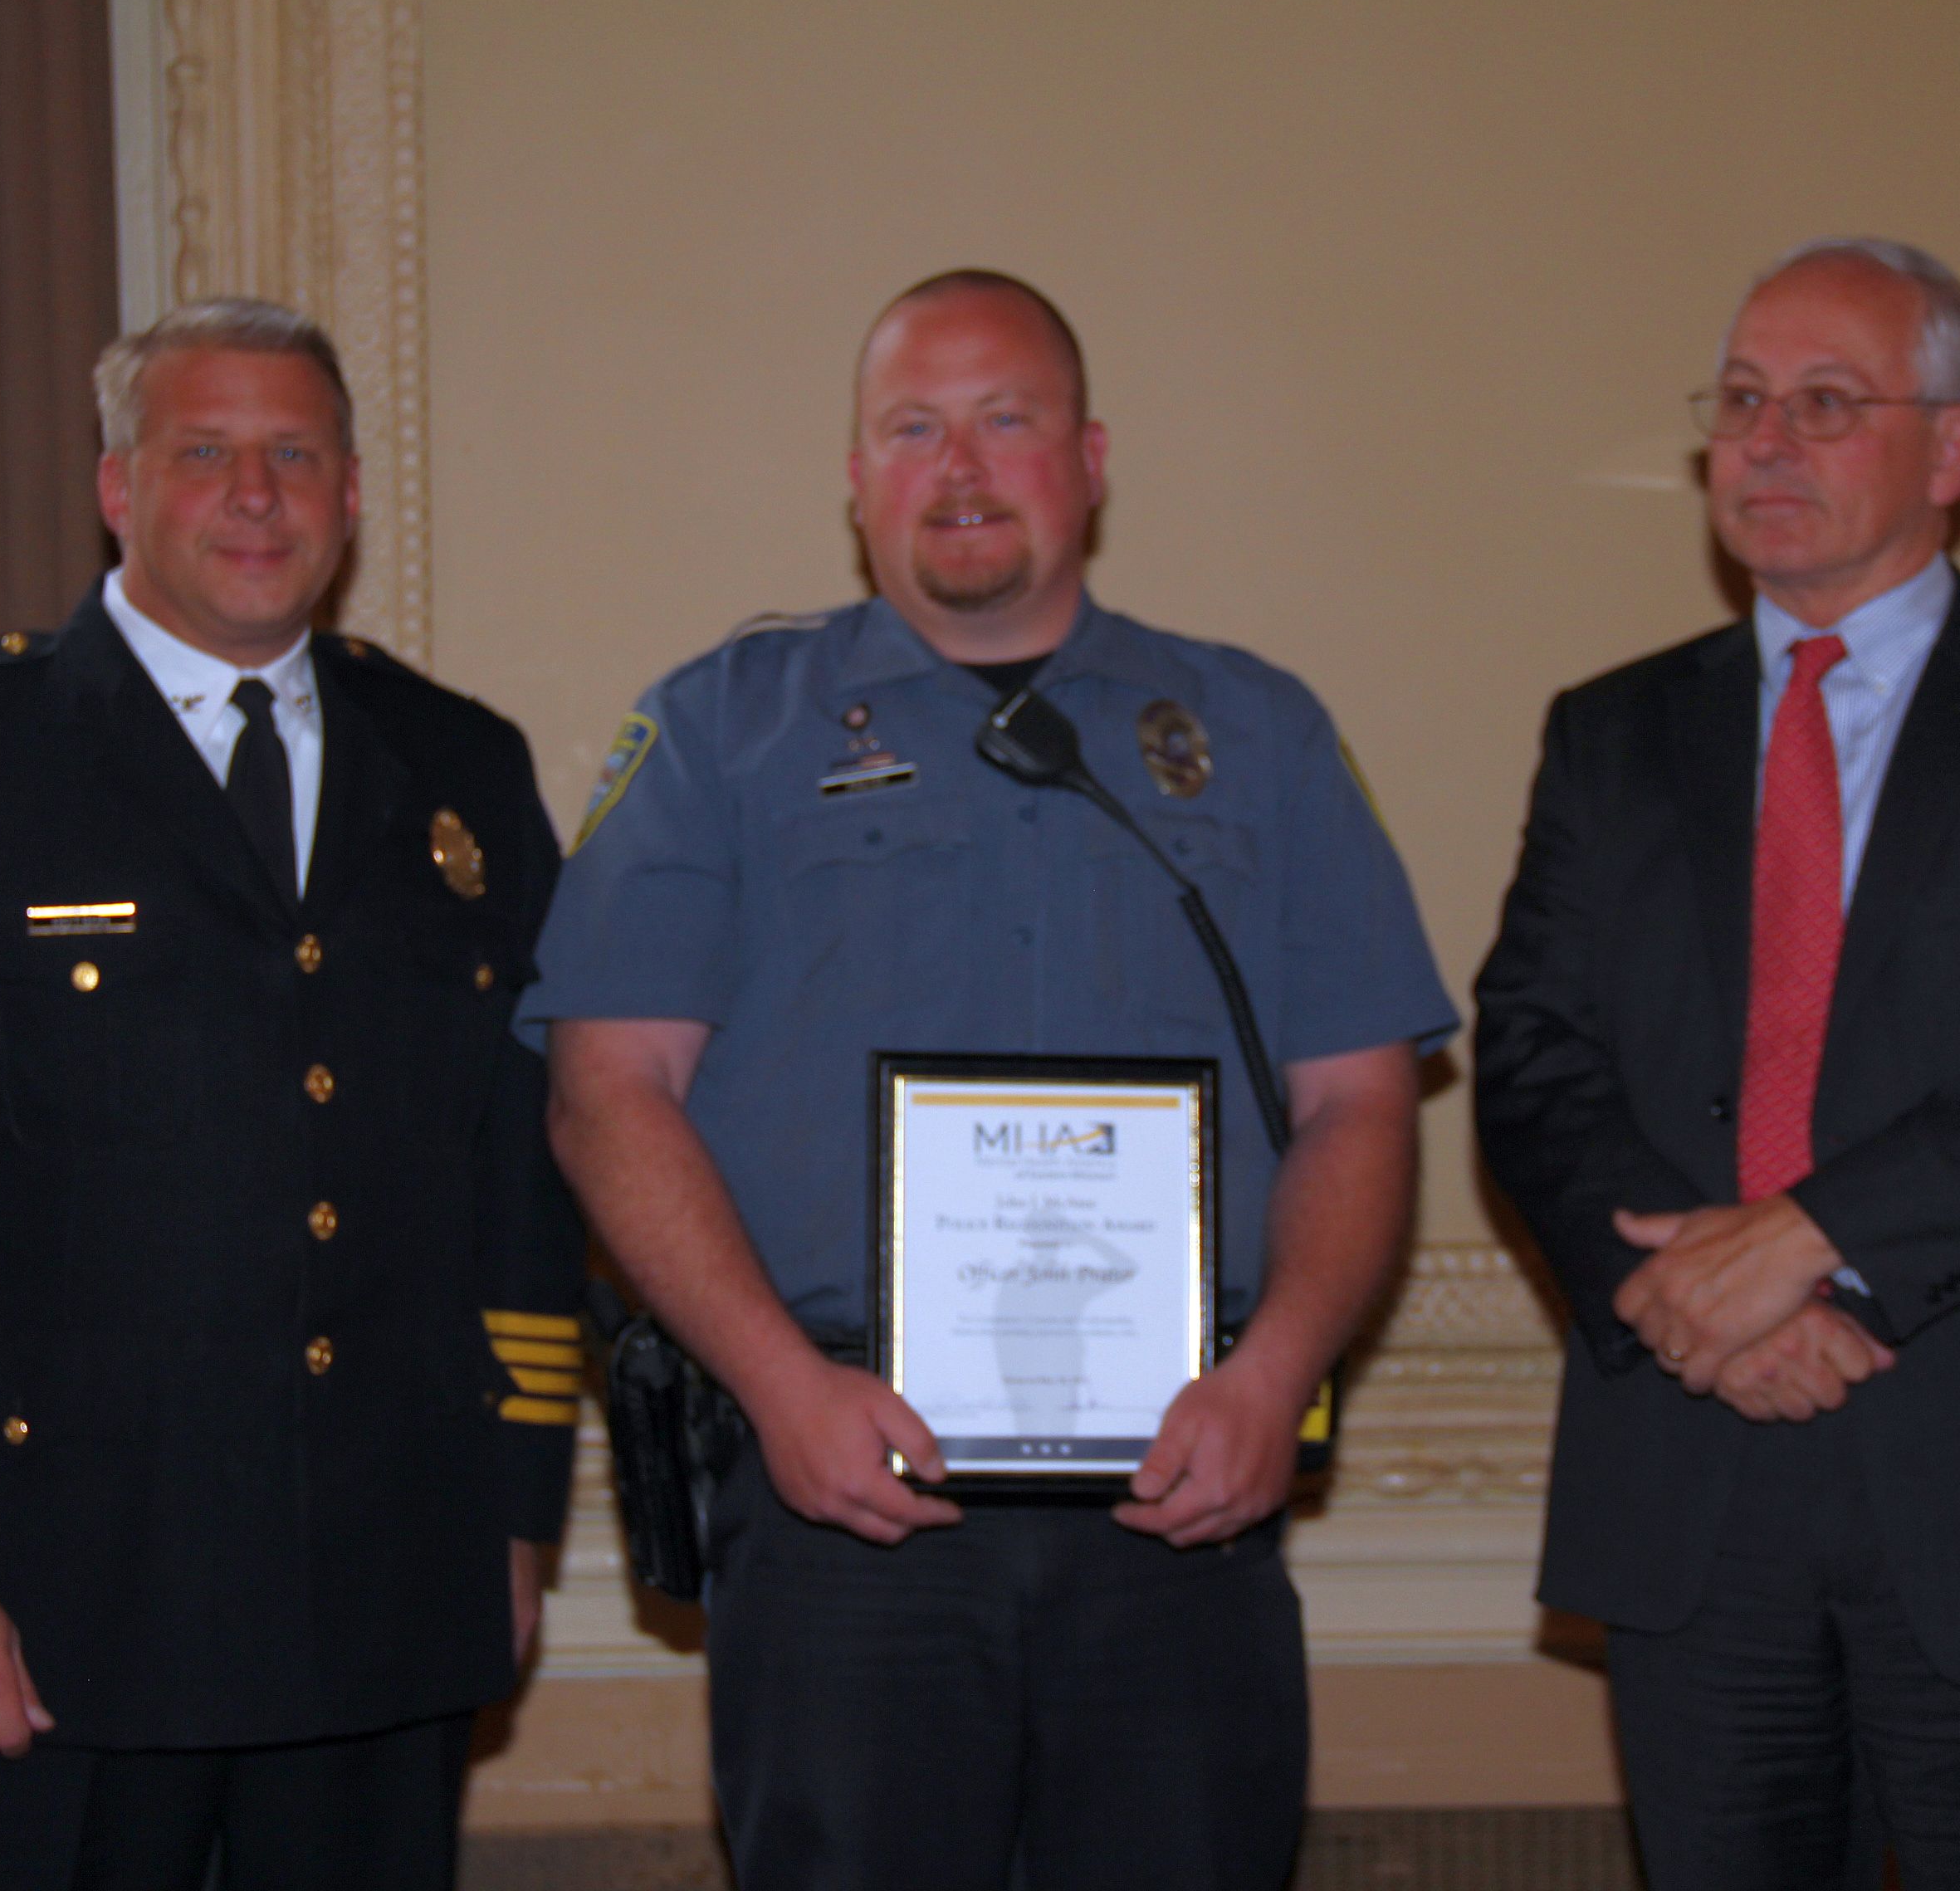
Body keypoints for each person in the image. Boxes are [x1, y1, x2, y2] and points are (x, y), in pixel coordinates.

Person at [526, 270, 1455, 1889]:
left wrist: (1274, 1375)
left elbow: (1362, 1104)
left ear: (1090, 458)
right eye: (912, 428)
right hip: (842, 1489)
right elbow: (609, 1092)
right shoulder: (719, 729)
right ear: (855, 477)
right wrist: (774, 1386)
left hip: (1185, 1486)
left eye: (1006, 420)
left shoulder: (1257, 734)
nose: (960, 466)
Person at [0, 298, 585, 1890]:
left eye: (294, 455)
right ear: (120, 490)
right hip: (44, 1609)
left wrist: (508, 1509)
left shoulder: (462, 769)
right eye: (205, 453)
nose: (254, 494)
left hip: (384, 1591)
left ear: (348, 496)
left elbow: (519, 1176)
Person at [1474, 239, 1960, 1889]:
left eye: (1826, 403)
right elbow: (1534, 1058)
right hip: (1696, 1471)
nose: (1764, 442)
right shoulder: (1608, 735)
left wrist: (1817, 1239)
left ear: (1956, 445)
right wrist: (1698, 1304)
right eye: (1743, 403)